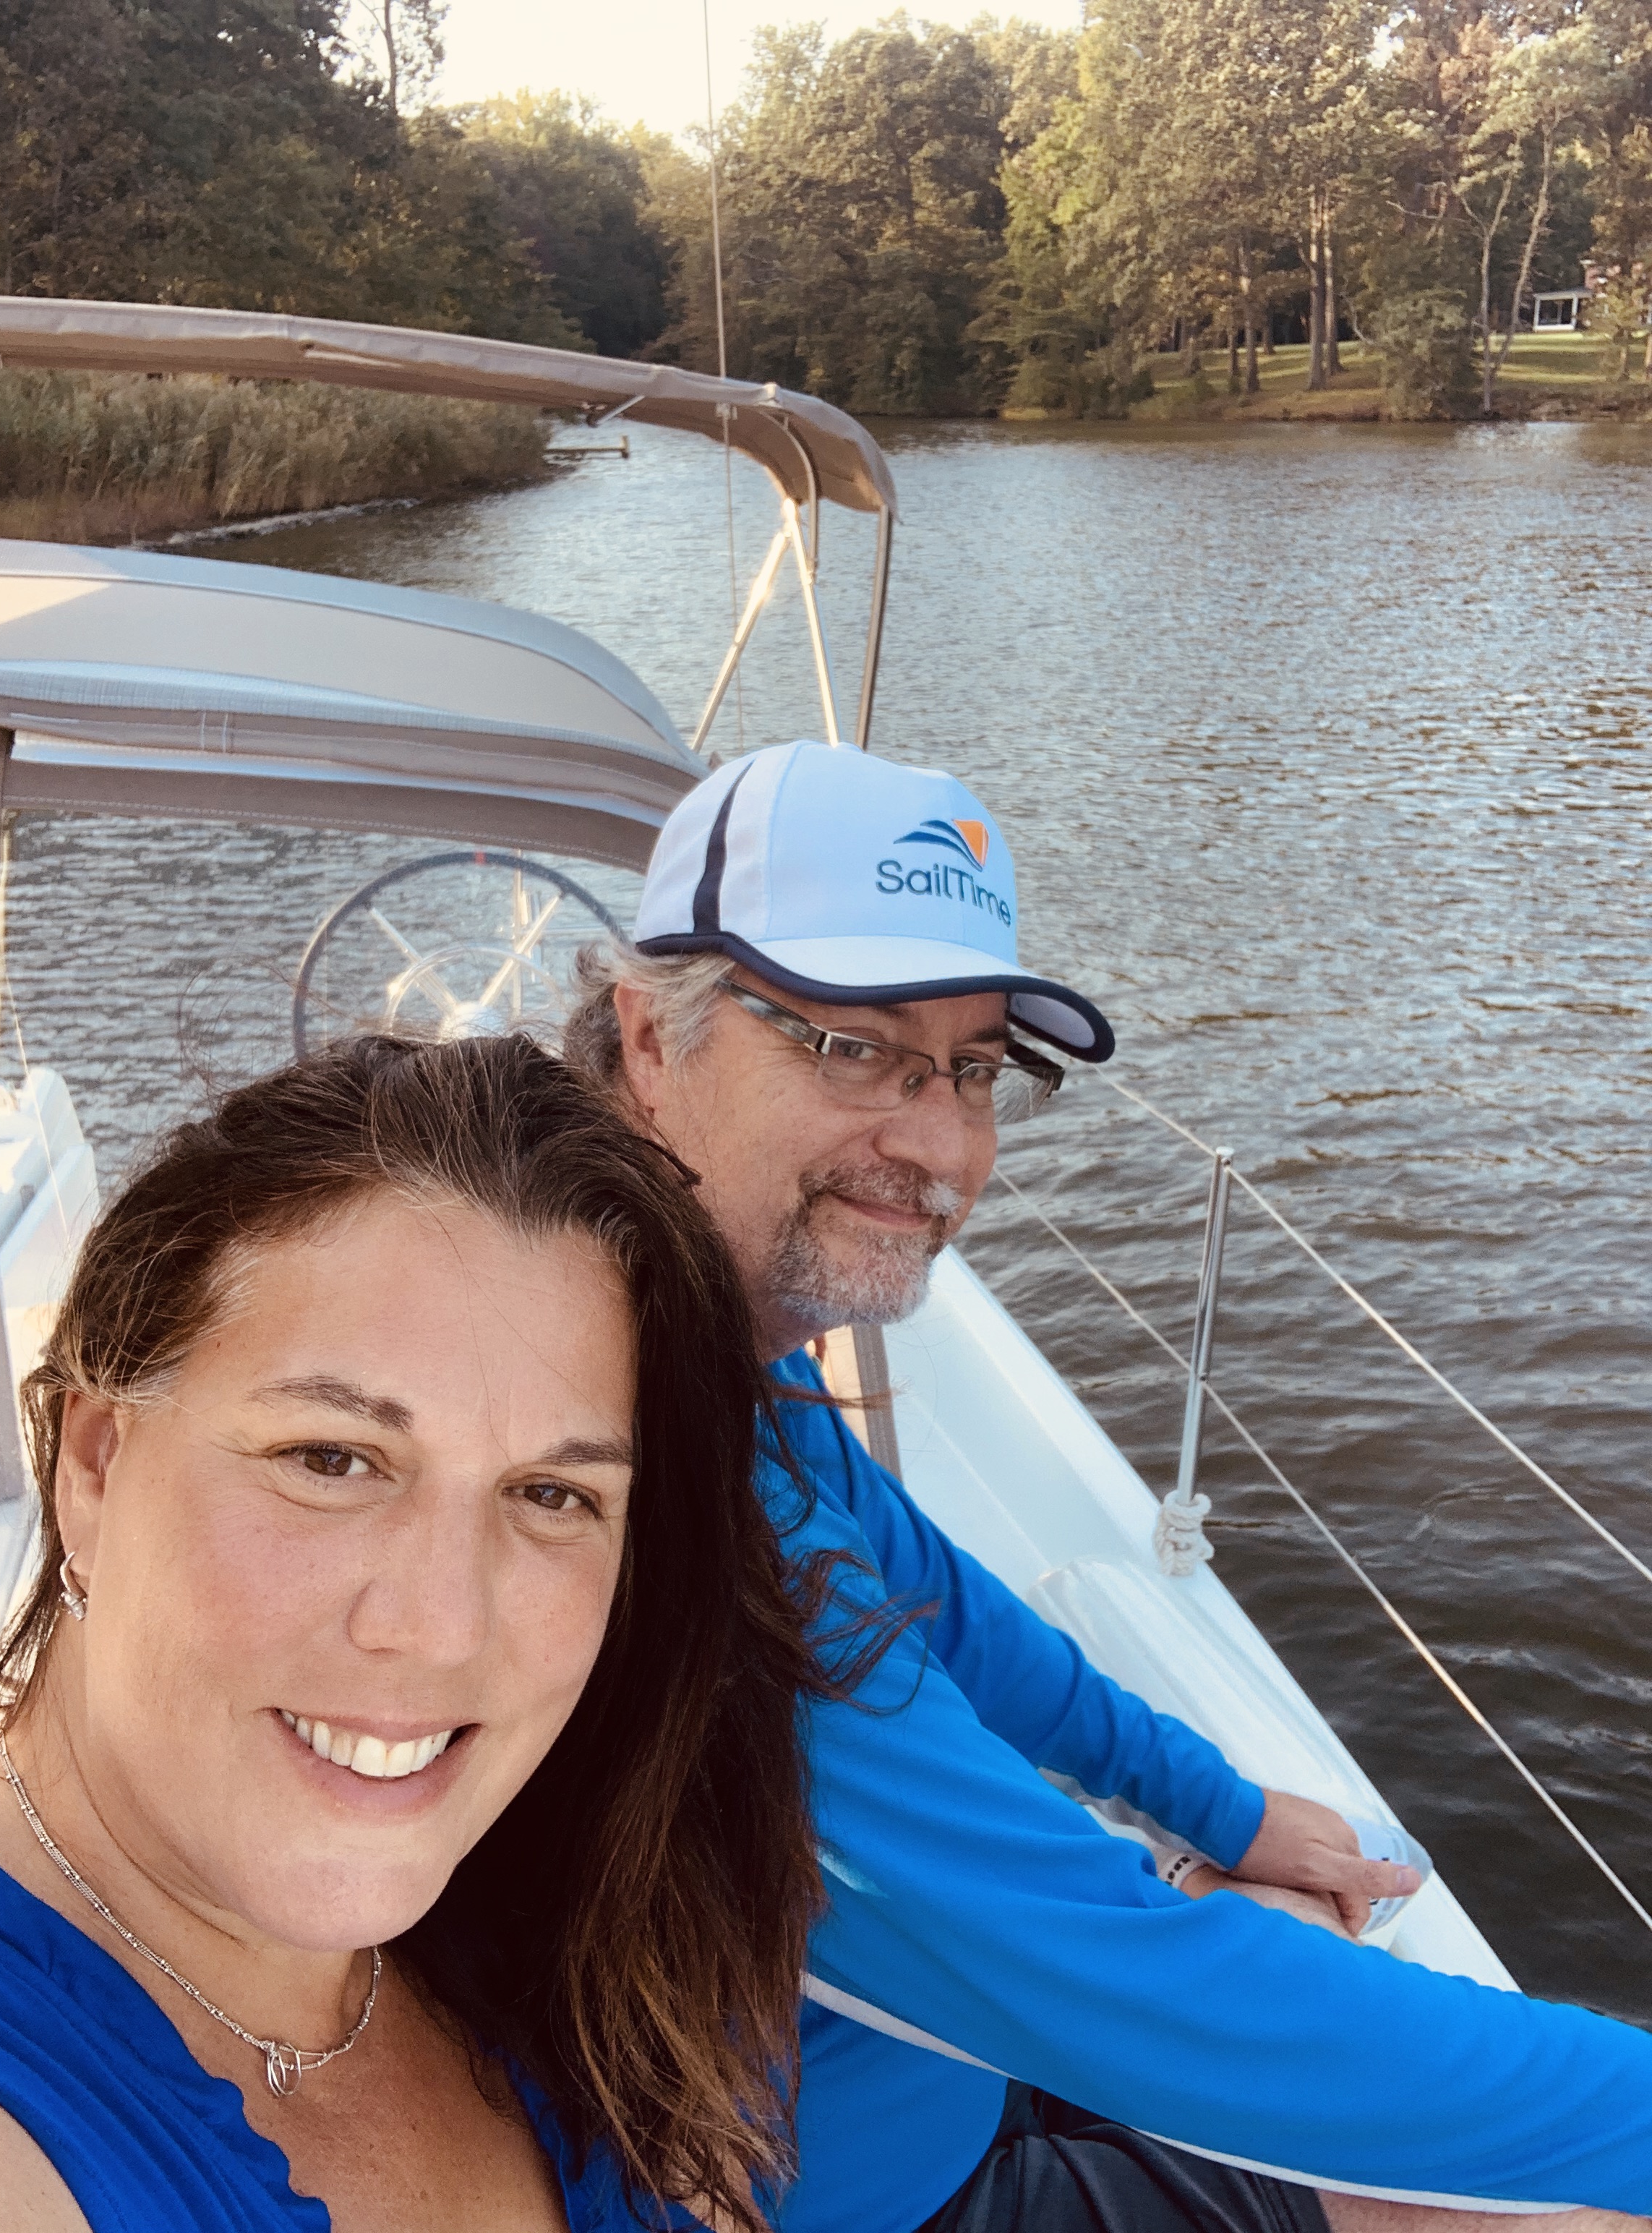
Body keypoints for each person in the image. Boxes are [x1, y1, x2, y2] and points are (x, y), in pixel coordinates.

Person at [564, 738, 1652, 2233]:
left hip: (894, 2070)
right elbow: (1126, 1977)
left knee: (1283, 1919)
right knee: (1529, 2202)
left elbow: (945, 1607)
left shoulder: (706, 1334)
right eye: (852, 1046)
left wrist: (1215, 1804)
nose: (940, 1142)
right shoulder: (620, 1476)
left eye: (973, 1067)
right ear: (647, 1034)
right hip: (859, 2193)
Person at [0, 1033, 847, 2233]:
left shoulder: (579, 1912)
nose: (440, 1627)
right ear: (95, 1464)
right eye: (332, 1460)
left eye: (554, 1495)